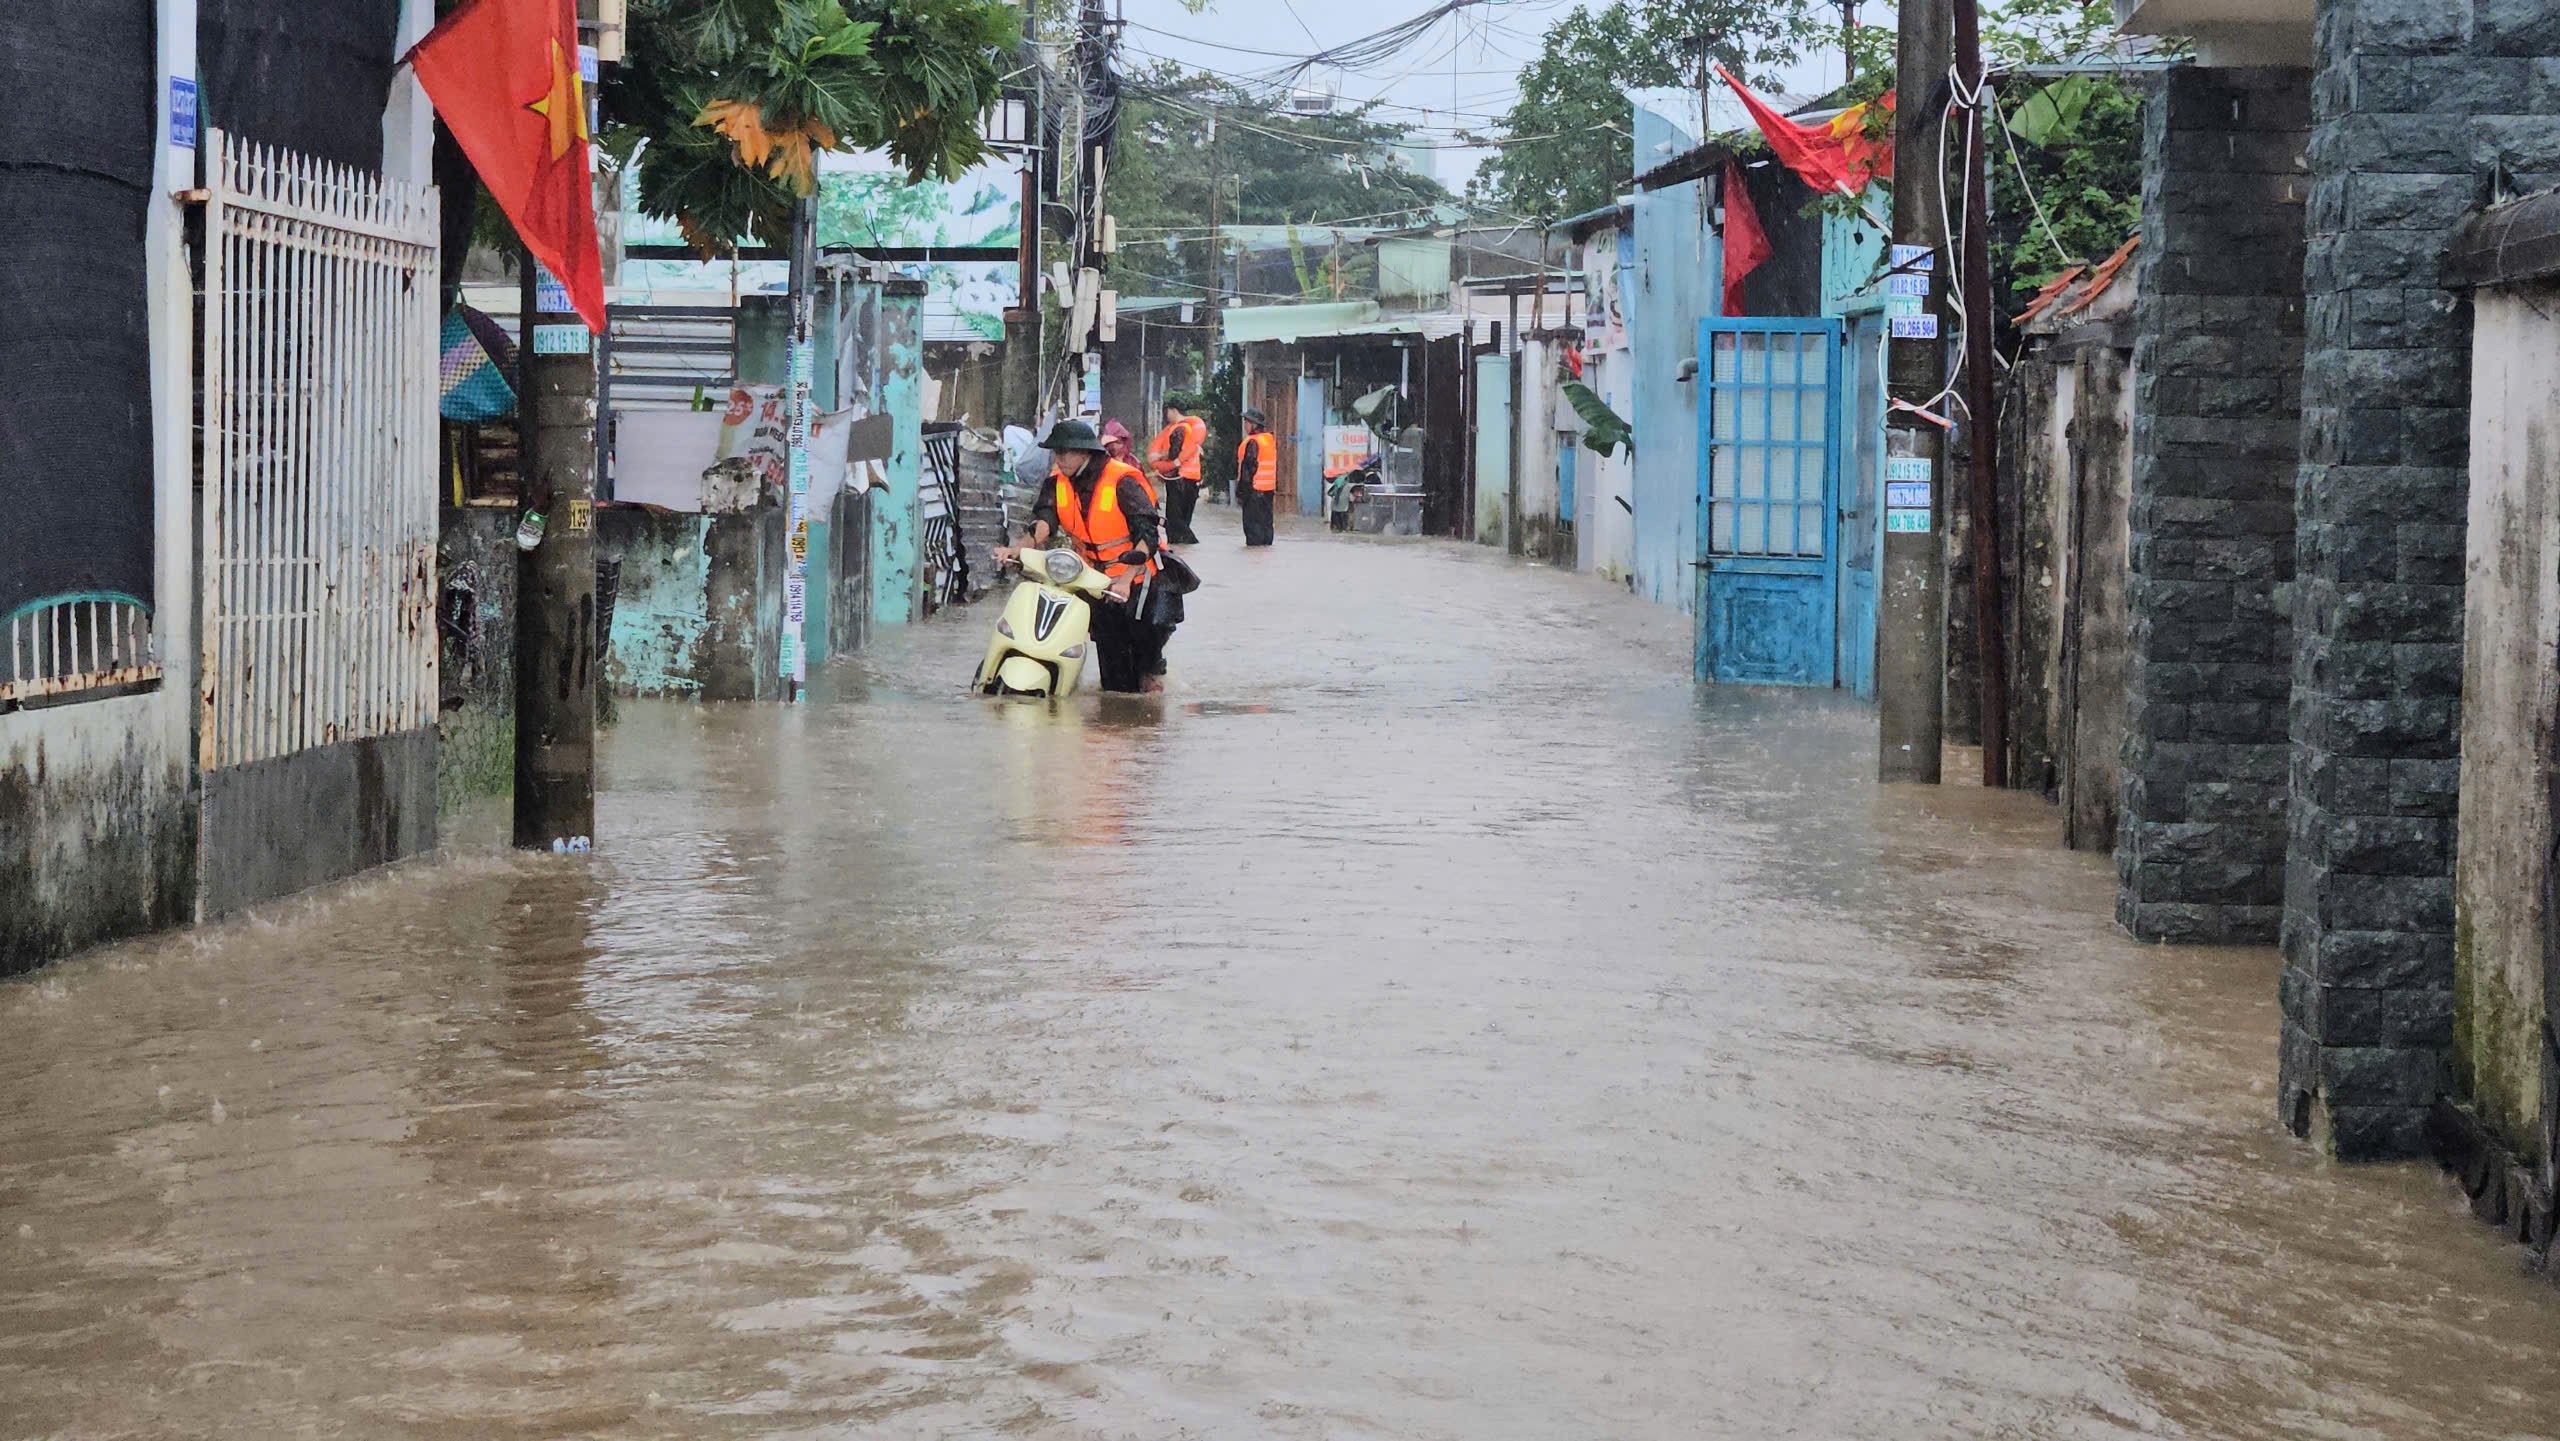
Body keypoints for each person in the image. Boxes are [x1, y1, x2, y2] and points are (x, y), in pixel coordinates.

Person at [999, 419, 1164, 693]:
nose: (1059, 459)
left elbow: (1147, 535)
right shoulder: (1057, 483)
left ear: (1085, 453)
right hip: (1090, 579)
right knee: (1111, 670)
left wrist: (1124, 579)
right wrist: (1019, 549)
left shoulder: (1121, 481)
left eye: (1065, 452)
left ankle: (1147, 697)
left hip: (1133, 581)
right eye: (1056, 452)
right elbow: (1045, 521)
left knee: (1140, 669)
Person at [1148, 398, 1208, 546]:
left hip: (1179, 479)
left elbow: (1175, 453)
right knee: (1184, 519)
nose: (1166, 415)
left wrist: (1159, 456)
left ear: (1174, 410)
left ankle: (1191, 543)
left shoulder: (1179, 429)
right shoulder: (1191, 431)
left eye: (1167, 411)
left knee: (1175, 520)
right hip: (1192, 480)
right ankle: (1186, 549)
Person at [1237, 408, 1279, 547]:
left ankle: (1254, 562)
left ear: (1254, 424)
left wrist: (1241, 493)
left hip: (1253, 492)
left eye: (1246, 422)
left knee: (1253, 532)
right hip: (1267, 492)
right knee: (1266, 529)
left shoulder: (1253, 442)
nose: (1245, 425)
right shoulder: (1268, 440)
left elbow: (1248, 470)